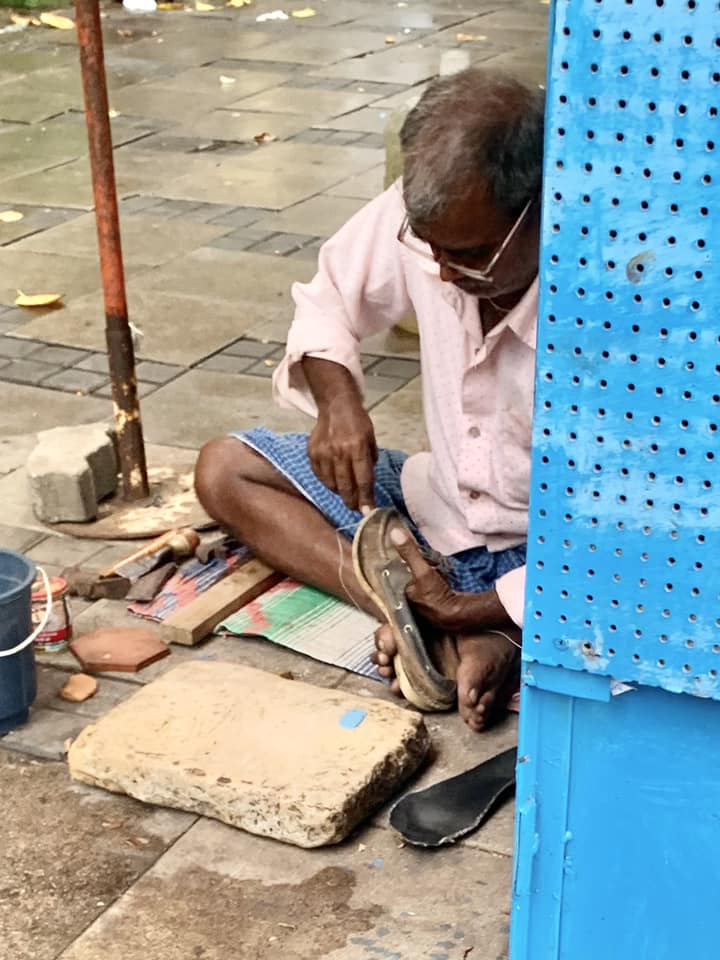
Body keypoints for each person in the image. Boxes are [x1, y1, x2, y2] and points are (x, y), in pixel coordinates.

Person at [195, 68, 544, 732]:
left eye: (468, 255)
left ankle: (485, 626)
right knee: (225, 469)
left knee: (626, 592)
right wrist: (338, 400)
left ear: (535, 211)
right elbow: (327, 301)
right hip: (442, 509)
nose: (442, 273)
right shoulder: (431, 216)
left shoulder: (614, 308)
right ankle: (411, 616)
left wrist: (490, 607)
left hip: (551, 553)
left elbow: (642, 539)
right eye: (430, 249)